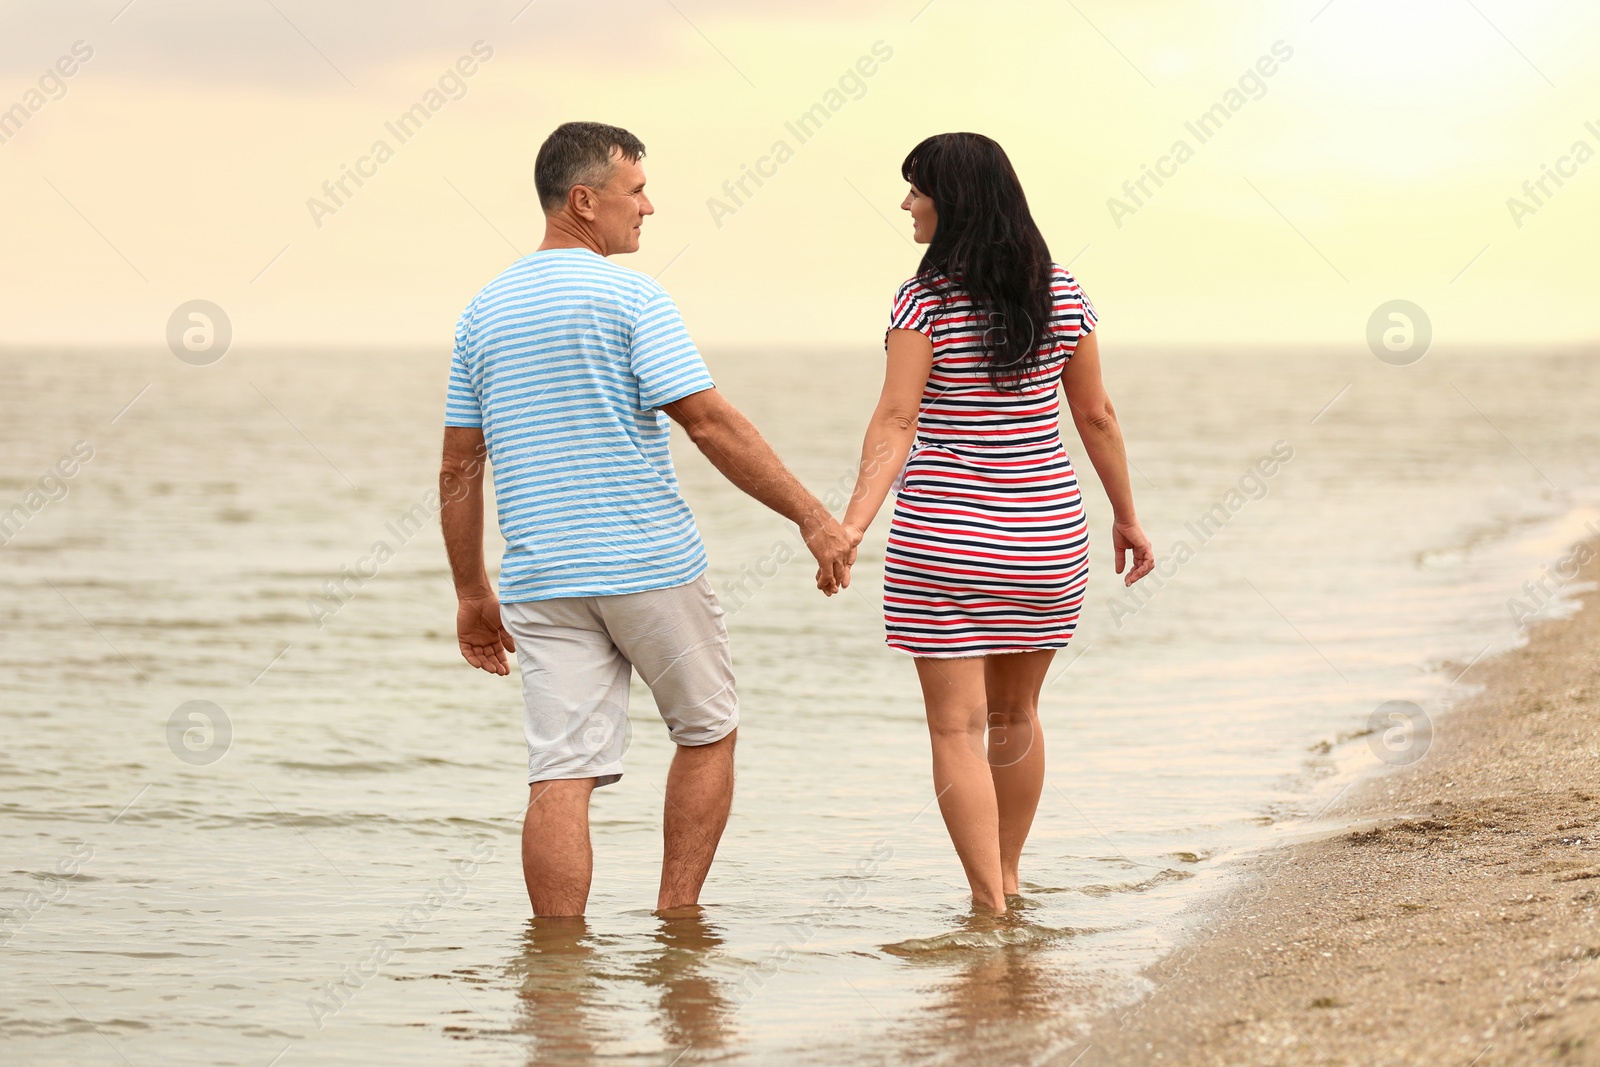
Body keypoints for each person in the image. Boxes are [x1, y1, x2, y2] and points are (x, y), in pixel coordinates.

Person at [440, 121, 855, 917]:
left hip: (542, 580)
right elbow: (709, 422)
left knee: (560, 770)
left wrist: (470, 591)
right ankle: (677, 920)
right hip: (648, 567)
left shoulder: (481, 312)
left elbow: (459, 467)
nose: (650, 207)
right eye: (636, 192)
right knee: (707, 731)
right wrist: (811, 516)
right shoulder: (631, 295)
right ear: (584, 200)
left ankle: (558, 981)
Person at [840, 133, 1154, 914]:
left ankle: (988, 904)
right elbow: (1098, 415)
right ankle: (1011, 878)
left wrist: (850, 524)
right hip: (1046, 536)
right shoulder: (1062, 291)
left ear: (956, 202)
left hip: (945, 543)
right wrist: (1127, 516)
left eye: (918, 190)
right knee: (1017, 715)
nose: (908, 204)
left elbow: (895, 417)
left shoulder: (923, 301)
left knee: (957, 728)